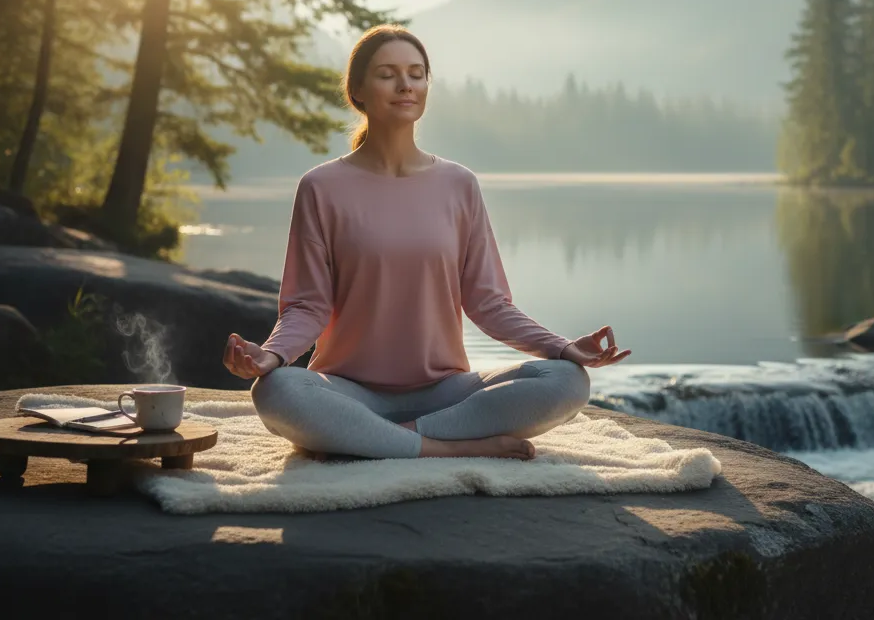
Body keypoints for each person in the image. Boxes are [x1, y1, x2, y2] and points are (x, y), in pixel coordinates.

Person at [222, 24, 631, 461]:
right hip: (348, 391)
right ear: (356, 89)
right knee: (277, 389)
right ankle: (443, 447)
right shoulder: (322, 187)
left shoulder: (459, 184)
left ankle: (383, 439)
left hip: (446, 393)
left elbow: (489, 304)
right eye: (387, 74)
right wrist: (272, 355)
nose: (405, 85)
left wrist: (564, 347)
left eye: (416, 74)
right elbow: (307, 306)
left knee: (567, 381)